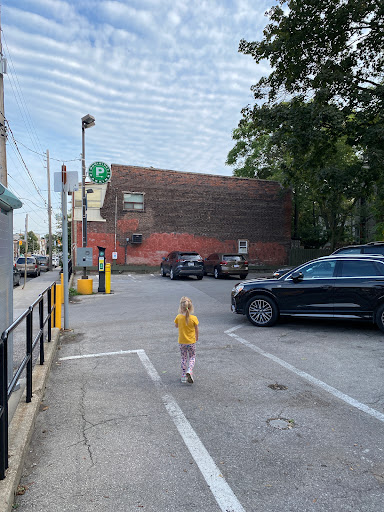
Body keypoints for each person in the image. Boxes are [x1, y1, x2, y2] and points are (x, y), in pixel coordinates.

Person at [174, 296, 199, 384]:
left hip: (182, 342)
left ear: (181, 307)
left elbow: (176, 326)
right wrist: (197, 337)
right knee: (192, 357)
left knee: (183, 357)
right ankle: (190, 370)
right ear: (191, 307)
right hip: (191, 341)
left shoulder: (179, 317)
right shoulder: (194, 318)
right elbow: (196, 329)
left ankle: (183, 376)